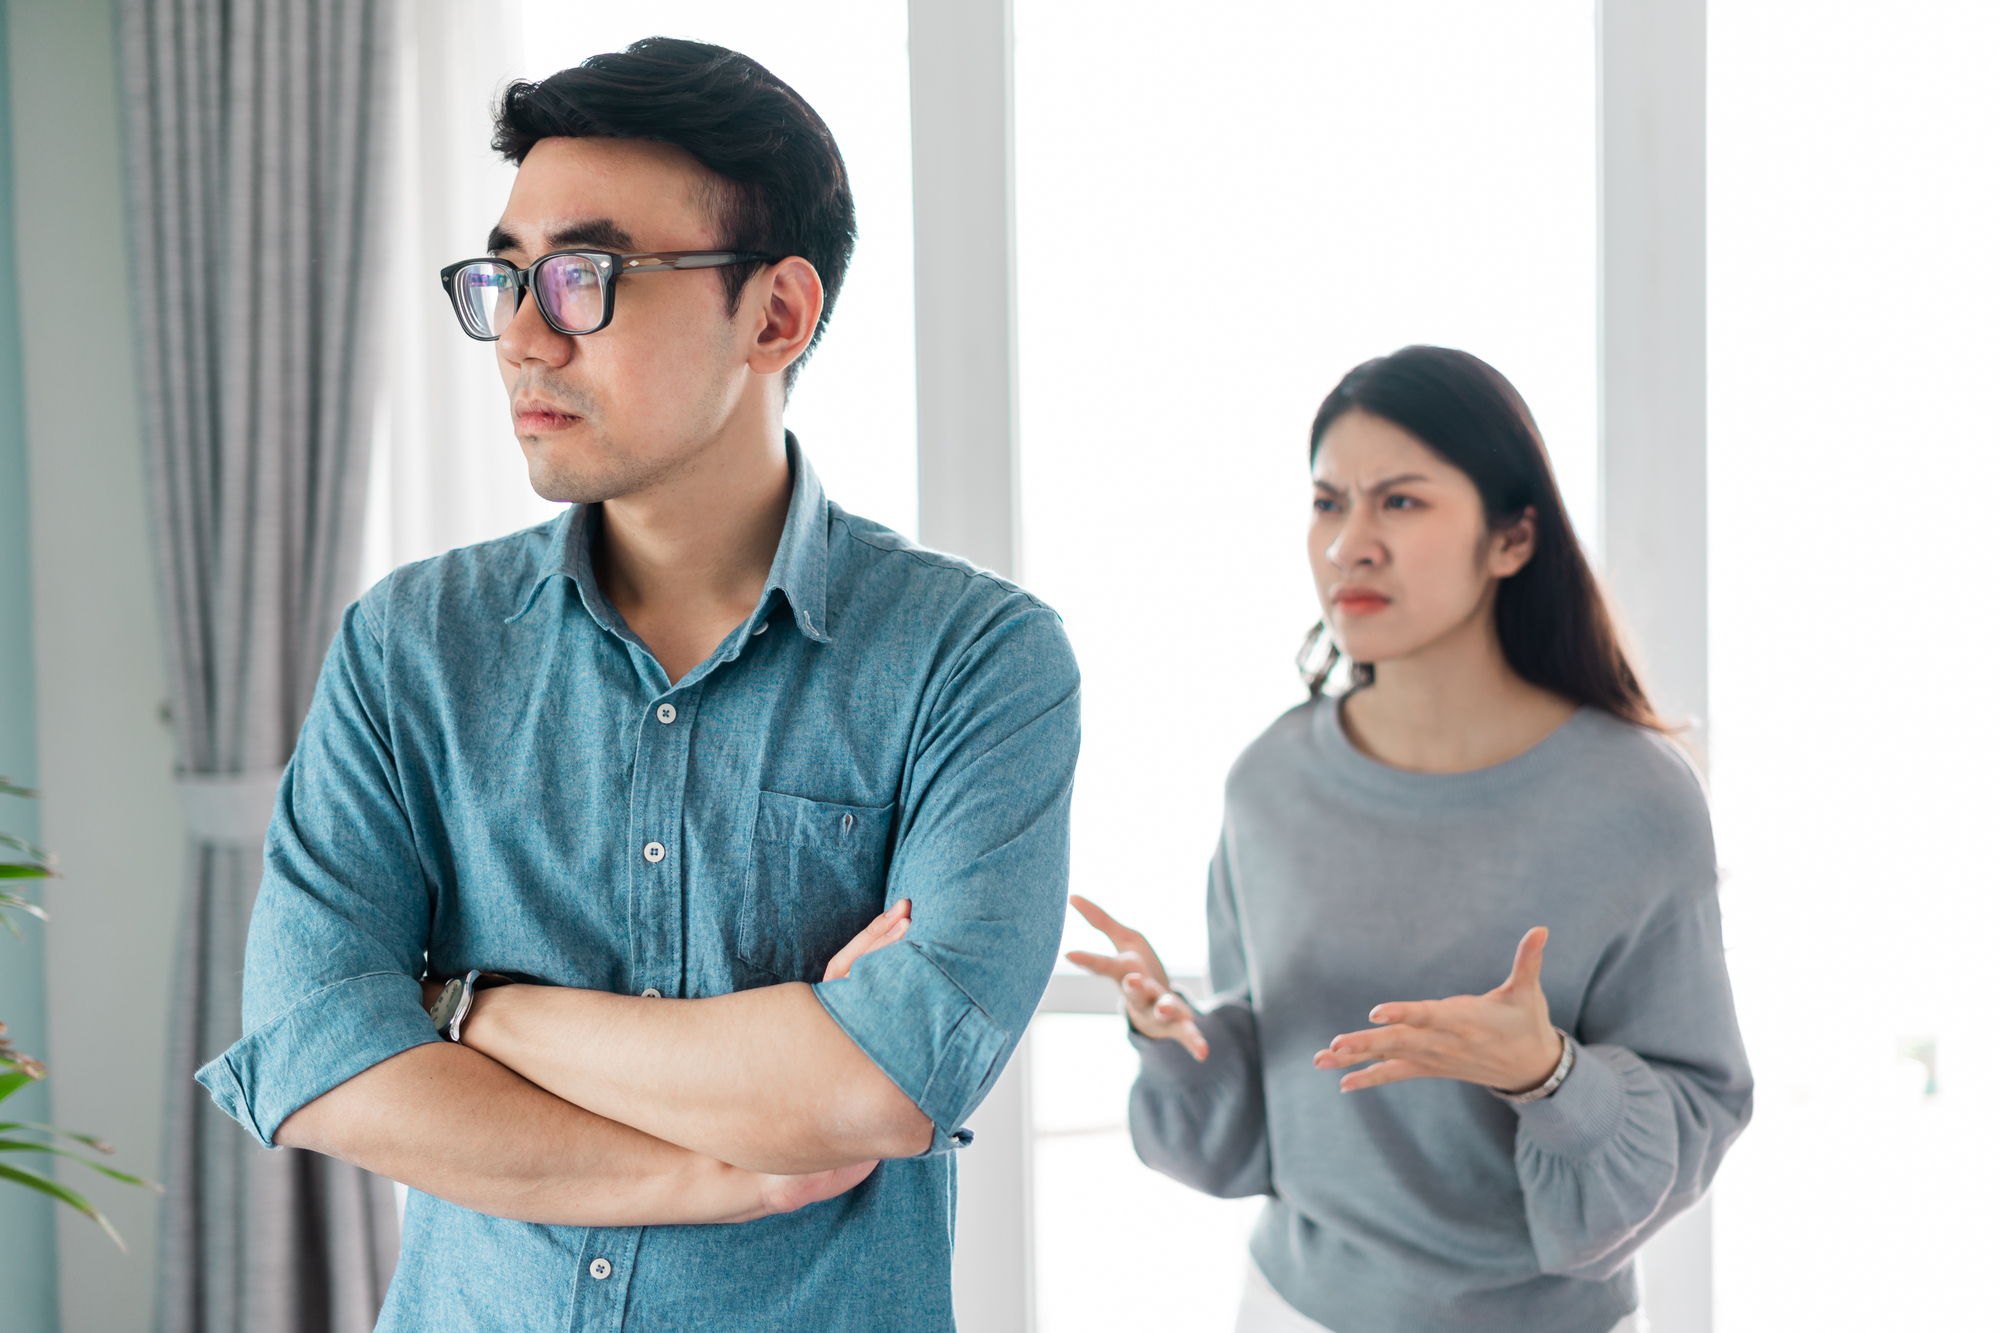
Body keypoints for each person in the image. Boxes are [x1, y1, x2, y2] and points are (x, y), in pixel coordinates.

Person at [194, 38, 1080, 1332]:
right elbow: (319, 1058)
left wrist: (464, 1004)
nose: (522, 336)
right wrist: (710, 1172)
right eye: (507, 275)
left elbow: (886, 1081)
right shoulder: (412, 644)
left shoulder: (975, 658)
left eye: (585, 276)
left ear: (775, 314)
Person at [1069, 346, 1752, 1333]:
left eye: (1398, 502)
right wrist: (1169, 1032)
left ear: (1511, 538)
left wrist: (1548, 1074)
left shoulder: (1634, 797)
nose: (1349, 543)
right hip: (1292, 1309)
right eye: (1325, 502)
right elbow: (1265, 1112)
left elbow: (1700, 1100)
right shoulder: (1268, 784)